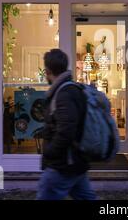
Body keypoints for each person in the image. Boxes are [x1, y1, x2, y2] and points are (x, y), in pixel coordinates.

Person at [36, 48, 96, 200]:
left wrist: (49, 152)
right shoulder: (72, 89)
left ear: (48, 70)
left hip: (62, 165)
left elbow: (66, 130)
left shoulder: (63, 94)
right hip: (76, 162)